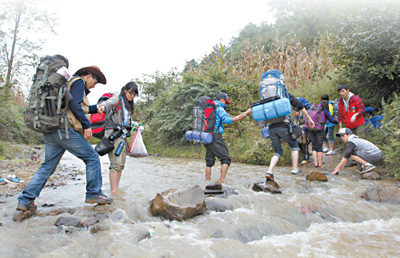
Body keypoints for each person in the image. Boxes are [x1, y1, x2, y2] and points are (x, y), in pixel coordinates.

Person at [17, 66, 113, 211]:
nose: (94, 86)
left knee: (47, 166)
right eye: (95, 81)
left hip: (52, 130)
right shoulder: (79, 82)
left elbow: (77, 106)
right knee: (92, 157)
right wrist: (87, 125)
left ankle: (25, 200)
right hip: (65, 131)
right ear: (88, 76)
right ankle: (94, 193)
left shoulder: (68, 83)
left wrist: (97, 108)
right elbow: (74, 105)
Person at [98, 82, 138, 195]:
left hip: (123, 137)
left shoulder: (128, 106)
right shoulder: (118, 99)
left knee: (121, 164)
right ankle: (114, 191)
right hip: (114, 135)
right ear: (125, 90)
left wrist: (135, 125)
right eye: (130, 93)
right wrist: (102, 106)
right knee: (116, 164)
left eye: (134, 94)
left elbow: (127, 121)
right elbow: (108, 103)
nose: (132, 96)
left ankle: (116, 189)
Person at [265, 94, 315, 181]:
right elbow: (300, 106)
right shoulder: (284, 94)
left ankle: (269, 171)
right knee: (294, 145)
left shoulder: (266, 96)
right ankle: (295, 169)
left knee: (277, 151)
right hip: (283, 124)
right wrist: (309, 119)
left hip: (271, 127)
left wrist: (245, 113)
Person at [204, 93, 251, 183]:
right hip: (215, 137)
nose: (225, 104)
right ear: (221, 100)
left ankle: (207, 181)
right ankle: (222, 181)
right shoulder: (219, 108)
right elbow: (228, 120)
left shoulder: (207, 107)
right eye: (225, 101)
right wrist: (244, 114)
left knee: (209, 160)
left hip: (206, 136)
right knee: (226, 158)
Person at [305, 95, 338, 168]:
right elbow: (331, 120)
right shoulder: (324, 110)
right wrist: (337, 122)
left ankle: (315, 163)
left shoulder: (313, 109)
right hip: (319, 130)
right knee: (319, 147)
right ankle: (320, 163)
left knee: (314, 146)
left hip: (311, 129)